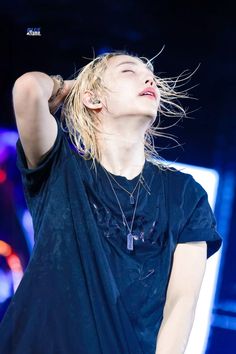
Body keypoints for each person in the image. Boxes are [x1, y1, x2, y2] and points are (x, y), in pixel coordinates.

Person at [0, 51, 222, 354]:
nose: (149, 79)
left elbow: (181, 304)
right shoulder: (60, 168)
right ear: (93, 98)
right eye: (129, 71)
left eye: (151, 75)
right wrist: (72, 88)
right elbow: (28, 89)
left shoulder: (185, 194)